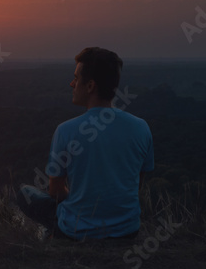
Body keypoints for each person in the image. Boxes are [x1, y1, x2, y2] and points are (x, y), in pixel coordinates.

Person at [16, 47, 153, 242]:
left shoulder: (66, 130)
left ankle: (54, 233)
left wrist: (81, 199)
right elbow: (135, 185)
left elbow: (55, 192)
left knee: (25, 192)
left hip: (77, 232)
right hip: (128, 232)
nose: (72, 84)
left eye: (76, 78)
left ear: (90, 86)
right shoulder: (141, 128)